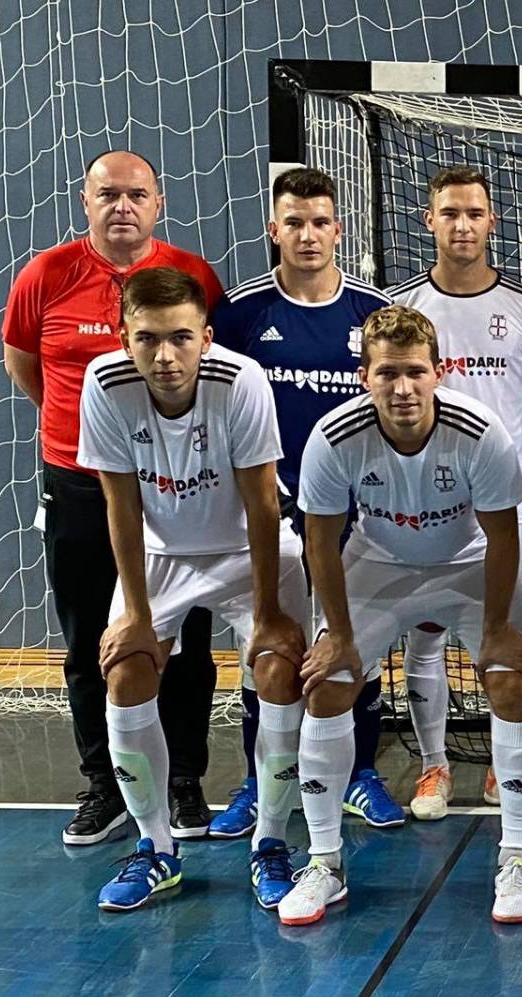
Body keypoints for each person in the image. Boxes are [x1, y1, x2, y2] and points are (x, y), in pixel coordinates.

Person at [279, 306, 522, 925]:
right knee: (328, 685)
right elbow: (321, 540)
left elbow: (504, 536)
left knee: (509, 681)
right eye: (387, 373)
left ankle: (516, 857)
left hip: (466, 562)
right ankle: (324, 863)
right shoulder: (333, 437)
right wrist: (339, 637)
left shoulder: (480, 433)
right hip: (379, 562)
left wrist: (498, 630)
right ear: (364, 376)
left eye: (415, 372)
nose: (402, 389)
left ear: (439, 372)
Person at [2, 149, 223, 846]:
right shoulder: (45, 275)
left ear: (158, 204)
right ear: (86, 201)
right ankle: (106, 785)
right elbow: (25, 366)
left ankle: (183, 783)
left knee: (182, 642)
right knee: (87, 642)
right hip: (76, 484)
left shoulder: (192, 275)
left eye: (136, 195)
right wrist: (87, 439)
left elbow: (209, 367)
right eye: (108, 195)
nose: (122, 206)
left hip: (170, 485)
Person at [79, 267, 307, 911]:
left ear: (205, 338)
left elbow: (262, 503)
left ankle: (270, 842)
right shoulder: (104, 383)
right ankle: (155, 848)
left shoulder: (241, 381)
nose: (164, 355)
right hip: (159, 554)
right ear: (124, 338)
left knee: (279, 671)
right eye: (147, 338)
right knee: (126, 670)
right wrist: (136, 615)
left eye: (180, 337)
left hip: (246, 549)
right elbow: (120, 505)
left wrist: (268, 612)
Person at [207, 167, 402, 836]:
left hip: (357, 512)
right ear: (274, 230)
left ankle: (360, 774)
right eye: (294, 222)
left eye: (320, 222)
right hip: (272, 512)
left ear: (338, 230)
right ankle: (259, 783)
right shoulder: (240, 314)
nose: (308, 235)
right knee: (268, 644)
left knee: (355, 642)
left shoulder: (371, 312)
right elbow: (216, 408)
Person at [391, 165, 522, 820]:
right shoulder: (404, 309)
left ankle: (503, 770)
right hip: (424, 506)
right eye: (450, 213)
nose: (462, 225)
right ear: (429, 221)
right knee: (426, 634)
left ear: (492, 221)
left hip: (506, 505)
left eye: (474, 213)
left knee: (508, 638)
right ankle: (433, 767)